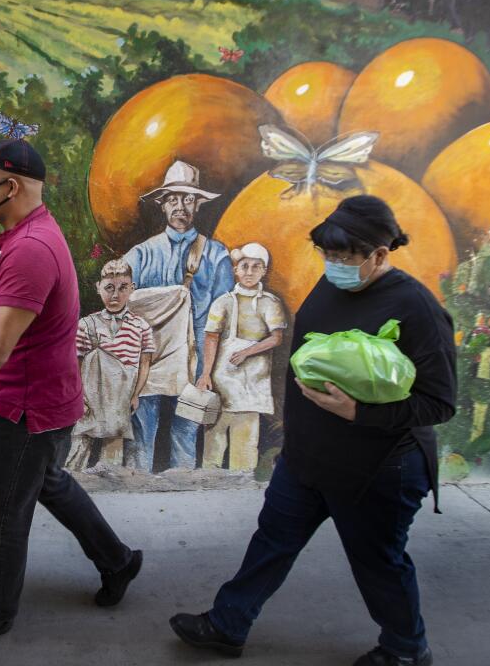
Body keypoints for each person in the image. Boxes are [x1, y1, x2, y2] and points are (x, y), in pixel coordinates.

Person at [170, 195, 456, 666]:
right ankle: (227, 624)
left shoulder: (416, 309)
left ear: (379, 255)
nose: (334, 265)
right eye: (328, 255)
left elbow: (439, 402)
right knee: (271, 543)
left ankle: (406, 650)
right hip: (308, 460)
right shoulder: (329, 286)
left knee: (378, 562)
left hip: (378, 468)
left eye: (345, 258)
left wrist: (358, 413)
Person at [0, 138, 141, 642]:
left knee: (1, 515)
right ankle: (118, 561)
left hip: (28, 409)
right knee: (49, 484)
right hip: (44, 400)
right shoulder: (21, 236)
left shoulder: (30, 251)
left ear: (10, 185)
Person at [123, 161, 234, 471]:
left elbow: (225, 317)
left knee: (186, 433)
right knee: (142, 431)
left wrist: (210, 369)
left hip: (196, 361)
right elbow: (116, 299)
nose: (180, 206)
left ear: (197, 204)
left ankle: (183, 500)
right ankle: (137, 498)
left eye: (188, 199)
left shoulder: (216, 255)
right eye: (173, 198)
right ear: (162, 204)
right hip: (150, 359)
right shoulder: (141, 254)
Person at [197, 242, 286, 471]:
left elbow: (276, 338)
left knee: (245, 440)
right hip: (222, 381)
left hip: (253, 380)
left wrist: (247, 352)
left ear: (263, 271)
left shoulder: (270, 303)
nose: (249, 272)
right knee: (214, 436)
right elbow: (211, 338)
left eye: (256, 267)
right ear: (236, 270)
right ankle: (208, 481)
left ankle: (241, 482)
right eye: (244, 266)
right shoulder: (223, 302)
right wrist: (206, 374)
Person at [66, 259, 155, 471]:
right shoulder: (87, 324)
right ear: (99, 288)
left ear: (132, 288)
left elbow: (144, 363)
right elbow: (75, 364)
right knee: (79, 447)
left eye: (123, 288)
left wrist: (135, 394)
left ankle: (109, 493)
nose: (115, 295)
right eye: (109, 288)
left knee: (112, 453)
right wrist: (79, 397)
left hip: (120, 398)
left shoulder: (141, 326)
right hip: (90, 398)